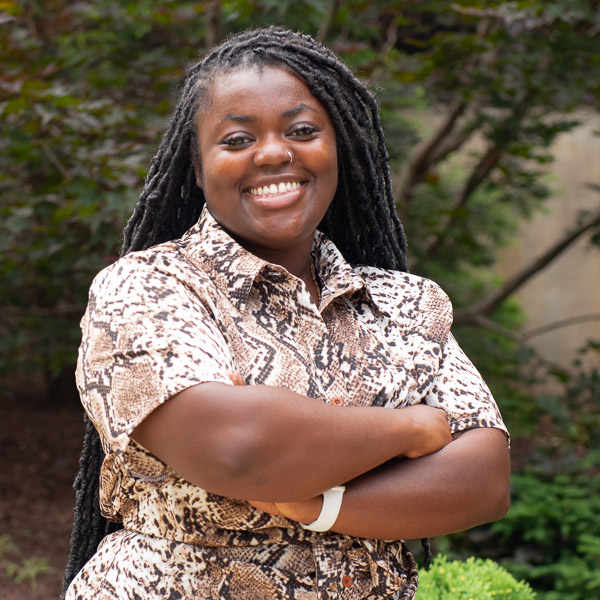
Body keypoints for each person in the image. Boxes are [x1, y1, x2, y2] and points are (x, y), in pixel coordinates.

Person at [62, 26, 510, 600]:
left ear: (337, 148)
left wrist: (316, 500)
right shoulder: (148, 288)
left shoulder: (408, 303)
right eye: (237, 138)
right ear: (197, 168)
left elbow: (482, 481)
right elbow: (240, 448)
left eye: (302, 131)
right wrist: (412, 427)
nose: (274, 152)